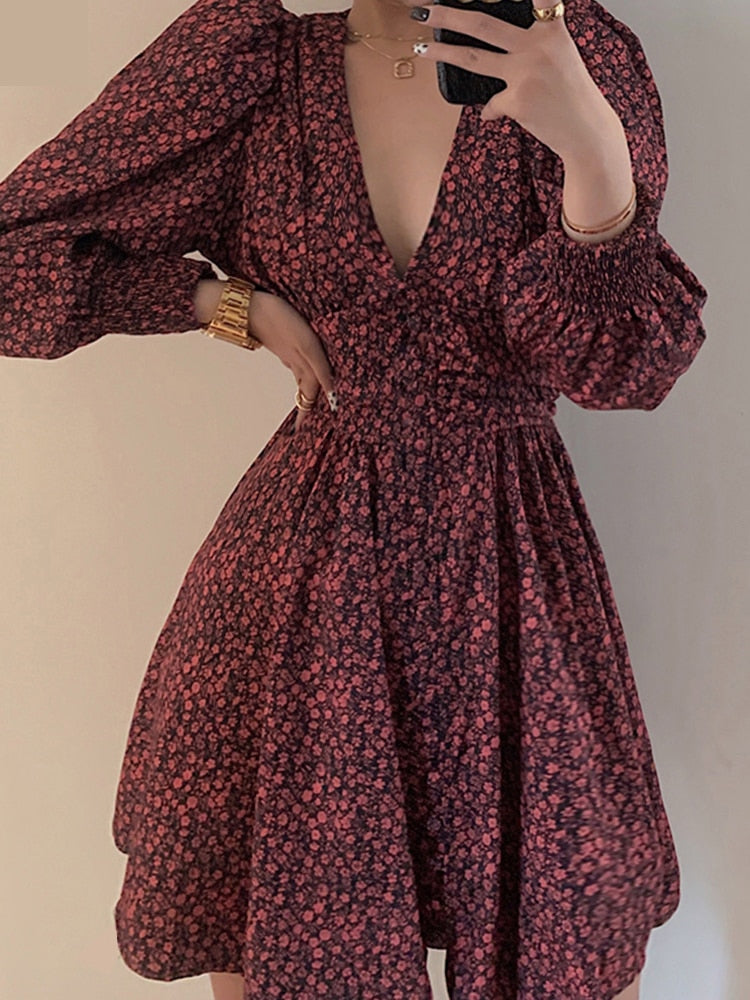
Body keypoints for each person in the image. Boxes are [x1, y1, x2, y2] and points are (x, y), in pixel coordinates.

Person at [0, 0, 708, 997]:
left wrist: (592, 150)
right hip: (303, 590)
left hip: (511, 586)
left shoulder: (570, 51)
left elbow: (630, 368)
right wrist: (220, 303)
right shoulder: (253, 70)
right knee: (294, 942)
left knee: (568, 933)